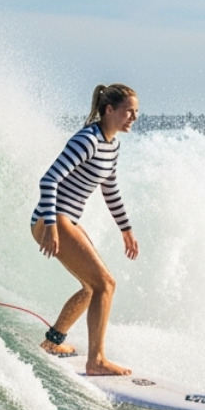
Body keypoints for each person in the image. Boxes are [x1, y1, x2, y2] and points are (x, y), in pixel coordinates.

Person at [30, 83, 141, 376]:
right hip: (53, 218)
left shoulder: (112, 145)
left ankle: (53, 342)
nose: (134, 117)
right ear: (109, 110)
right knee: (106, 284)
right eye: (128, 111)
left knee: (93, 287)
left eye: (136, 112)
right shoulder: (87, 140)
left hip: (65, 220)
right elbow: (48, 181)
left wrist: (125, 229)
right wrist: (52, 228)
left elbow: (111, 190)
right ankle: (97, 360)